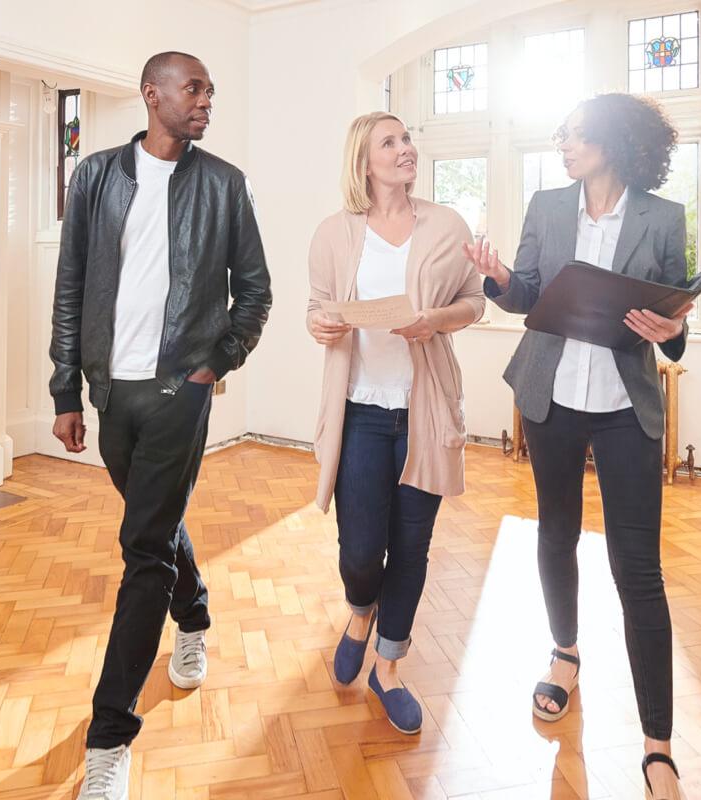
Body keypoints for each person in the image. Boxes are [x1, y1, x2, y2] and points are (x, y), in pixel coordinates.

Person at [49, 51, 271, 800]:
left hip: (181, 391)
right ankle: (196, 612)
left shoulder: (224, 183)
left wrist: (221, 360)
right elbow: (71, 282)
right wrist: (65, 390)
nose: (207, 100)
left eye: (210, 89)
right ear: (154, 95)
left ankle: (110, 734)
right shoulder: (98, 177)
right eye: (195, 88)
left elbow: (256, 291)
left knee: (141, 547)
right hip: (113, 392)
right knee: (156, 523)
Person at [464, 93, 690, 800]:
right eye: (561, 136)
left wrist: (669, 331)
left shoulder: (664, 215)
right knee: (555, 535)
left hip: (625, 407)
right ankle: (565, 654)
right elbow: (527, 295)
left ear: (615, 141)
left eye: (577, 136)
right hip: (552, 398)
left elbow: (677, 319)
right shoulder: (547, 207)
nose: (564, 145)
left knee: (638, 570)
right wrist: (499, 277)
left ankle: (658, 745)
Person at [306, 112, 484, 734]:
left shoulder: (447, 224)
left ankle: (389, 666)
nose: (406, 149)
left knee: (410, 546)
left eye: (408, 139)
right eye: (391, 142)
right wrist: (321, 323)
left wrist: (433, 321)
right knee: (359, 550)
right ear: (365, 161)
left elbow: (474, 300)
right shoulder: (333, 233)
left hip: (423, 413)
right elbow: (317, 309)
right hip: (359, 412)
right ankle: (361, 612)